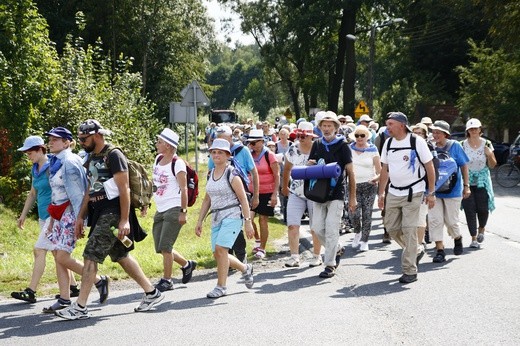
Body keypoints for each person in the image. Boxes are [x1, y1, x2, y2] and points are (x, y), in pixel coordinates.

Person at [56, 119, 163, 320]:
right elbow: (90, 189)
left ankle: (80, 307)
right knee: (121, 256)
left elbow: (125, 189)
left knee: (90, 255)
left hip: (113, 213)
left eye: (84, 138)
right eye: (79, 139)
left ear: (97, 135)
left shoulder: (114, 155)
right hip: (99, 213)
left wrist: (124, 220)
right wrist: (81, 216)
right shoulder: (92, 157)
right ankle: (151, 293)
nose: (81, 142)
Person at [41, 127, 105, 313]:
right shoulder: (56, 162)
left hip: (72, 214)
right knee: (57, 255)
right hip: (60, 215)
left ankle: (98, 280)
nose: (51, 142)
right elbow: (56, 193)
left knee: (62, 255)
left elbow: (79, 194)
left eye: (56, 139)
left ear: (67, 142)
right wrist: (53, 218)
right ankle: (64, 298)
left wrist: (80, 219)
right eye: (50, 139)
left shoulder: (69, 162)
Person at [11, 136, 79, 304]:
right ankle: (73, 287)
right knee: (57, 253)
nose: (28, 156)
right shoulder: (35, 168)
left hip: (54, 216)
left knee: (39, 250)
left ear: (41, 149)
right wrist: (23, 215)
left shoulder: (53, 166)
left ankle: (31, 291)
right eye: (26, 153)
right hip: (43, 216)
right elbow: (33, 193)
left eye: (30, 152)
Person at [378, 112, 436, 284]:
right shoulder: (388, 143)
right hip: (394, 192)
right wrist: (381, 193)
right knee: (392, 228)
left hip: (414, 191)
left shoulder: (416, 141)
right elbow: (384, 170)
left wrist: (431, 193)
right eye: (387, 124)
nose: (387, 127)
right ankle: (415, 249)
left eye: (390, 124)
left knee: (410, 229)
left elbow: (429, 167)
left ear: (401, 125)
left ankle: (410, 271)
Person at [195, 139, 254, 298]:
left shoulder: (232, 173)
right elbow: (207, 199)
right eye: (213, 152)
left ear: (228, 155)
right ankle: (244, 268)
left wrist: (248, 222)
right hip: (216, 217)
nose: (216, 155)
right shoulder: (210, 173)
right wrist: (199, 221)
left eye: (220, 152)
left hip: (233, 216)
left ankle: (221, 287)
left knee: (221, 249)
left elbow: (243, 199)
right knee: (217, 253)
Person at [308, 111, 357, 278]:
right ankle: (336, 248)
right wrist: (310, 164)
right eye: (324, 125)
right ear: (320, 127)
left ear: (336, 128)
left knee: (331, 229)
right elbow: (310, 165)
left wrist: (352, 197)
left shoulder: (343, 146)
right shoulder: (317, 144)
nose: (326, 128)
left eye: (330, 126)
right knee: (316, 228)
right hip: (318, 192)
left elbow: (350, 172)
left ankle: (330, 264)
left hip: (337, 192)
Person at [149, 128, 197, 292]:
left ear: (168, 146)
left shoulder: (178, 164)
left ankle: (167, 280)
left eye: (160, 142)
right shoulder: (158, 159)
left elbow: (184, 189)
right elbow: (155, 183)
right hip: (160, 208)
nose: (157, 144)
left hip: (174, 208)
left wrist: (183, 212)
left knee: (165, 246)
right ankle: (187, 264)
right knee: (160, 246)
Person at [208, 125, 260, 263]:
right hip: (221, 197)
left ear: (231, 137)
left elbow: (254, 172)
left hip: (239, 194)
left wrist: (256, 195)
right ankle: (230, 261)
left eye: (224, 139)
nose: (221, 142)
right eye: (218, 139)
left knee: (236, 228)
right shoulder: (216, 153)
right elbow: (210, 173)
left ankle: (241, 258)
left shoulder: (242, 150)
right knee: (225, 231)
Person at [428, 120, 470, 263]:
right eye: (433, 132)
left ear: (446, 134)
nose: (435, 134)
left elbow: (464, 165)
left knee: (451, 222)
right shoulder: (429, 146)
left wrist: (466, 185)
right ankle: (440, 250)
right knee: (435, 220)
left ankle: (457, 238)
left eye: (438, 132)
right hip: (434, 191)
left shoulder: (455, 146)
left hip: (453, 190)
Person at [281, 122, 322, 267]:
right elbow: (286, 169)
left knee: (314, 227)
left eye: (304, 136)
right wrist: (284, 186)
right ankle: (294, 257)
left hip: (314, 193)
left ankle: (317, 255)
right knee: (292, 225)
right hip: (296, 192)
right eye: (298, 135)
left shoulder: (319, 148)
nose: (300, 138)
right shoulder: (293, 149)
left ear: (311, 137)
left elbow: (325, 169)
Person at [460, 118, 496, 248]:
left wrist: (490, 155)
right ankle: (473, 238)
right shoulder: (462, 145)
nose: (473, 131)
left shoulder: (487, 143)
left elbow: (492, 165)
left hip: (482, 181)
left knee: (483, 209)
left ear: (480, 129)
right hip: (467, 181)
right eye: (471, 129)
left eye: (476, 128)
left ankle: (481, 229)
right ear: (467, 131)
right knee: (469, 210)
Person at [247, 129, 280, 259]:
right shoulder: (249, 155)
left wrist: (274, 194)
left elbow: (277, 175)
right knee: (248, 218)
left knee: (263, 220)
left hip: (267, 191)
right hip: (252, 191)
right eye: (250, 143)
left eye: (254, 142)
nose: (252, 145)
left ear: (261, 142)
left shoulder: (269, 155)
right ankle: (258, 239)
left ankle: (262, 248)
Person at [348, 125, 381, 252]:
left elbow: (380, 171)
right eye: (357, 135)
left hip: (369, 185)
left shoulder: (373, 150)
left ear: (367, 136)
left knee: (367, 213)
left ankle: (365, 240)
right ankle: (357, 232)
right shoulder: (349, 149)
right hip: (353, 186)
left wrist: (376, 179)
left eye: (362, 135)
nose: (360, 138)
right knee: (354, 214)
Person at [411, 123, 432, 260]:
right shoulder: (406, 147)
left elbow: (432, 169)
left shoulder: (429, 148)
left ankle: (418, 246)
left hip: (423, 188)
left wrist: (431, 191)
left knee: (420, 217)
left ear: (425, 135)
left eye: (420, 133)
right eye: (415, 133)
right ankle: (415, 243)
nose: (418, 136)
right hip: (406, 190)